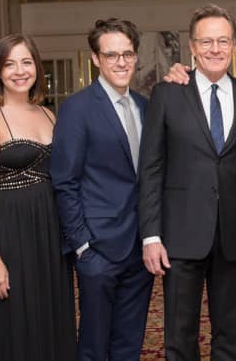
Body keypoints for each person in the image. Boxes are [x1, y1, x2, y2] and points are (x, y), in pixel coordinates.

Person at [138, 4, 236, 360]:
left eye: (223, 41)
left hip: (234, 233)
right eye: (207, 41)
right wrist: (151, 235)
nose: (215, 49)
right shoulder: (166, 95)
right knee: (179, 335)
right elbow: (151, 169)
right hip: (179, 235)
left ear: (234, 46)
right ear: (193, 48)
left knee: (231, 332)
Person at [51, 18, 154, 361]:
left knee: (129, 343)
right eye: (111, 55)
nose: (121, 62)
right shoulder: (77, 108)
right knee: (94, 347)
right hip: (98, 249)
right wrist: (82, 245)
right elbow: (65, 181)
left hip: (140, 249)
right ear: (95, 59)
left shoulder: (144, 107)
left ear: (136, 57)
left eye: (127, 54)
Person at [0, 34, 76, 360]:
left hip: (47, 235)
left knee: (49, 319)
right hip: (7, 234)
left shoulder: (49, 115)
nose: (19, 70)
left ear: (37, 68)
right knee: (11, 324)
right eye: (10, 63)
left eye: (26, 62)